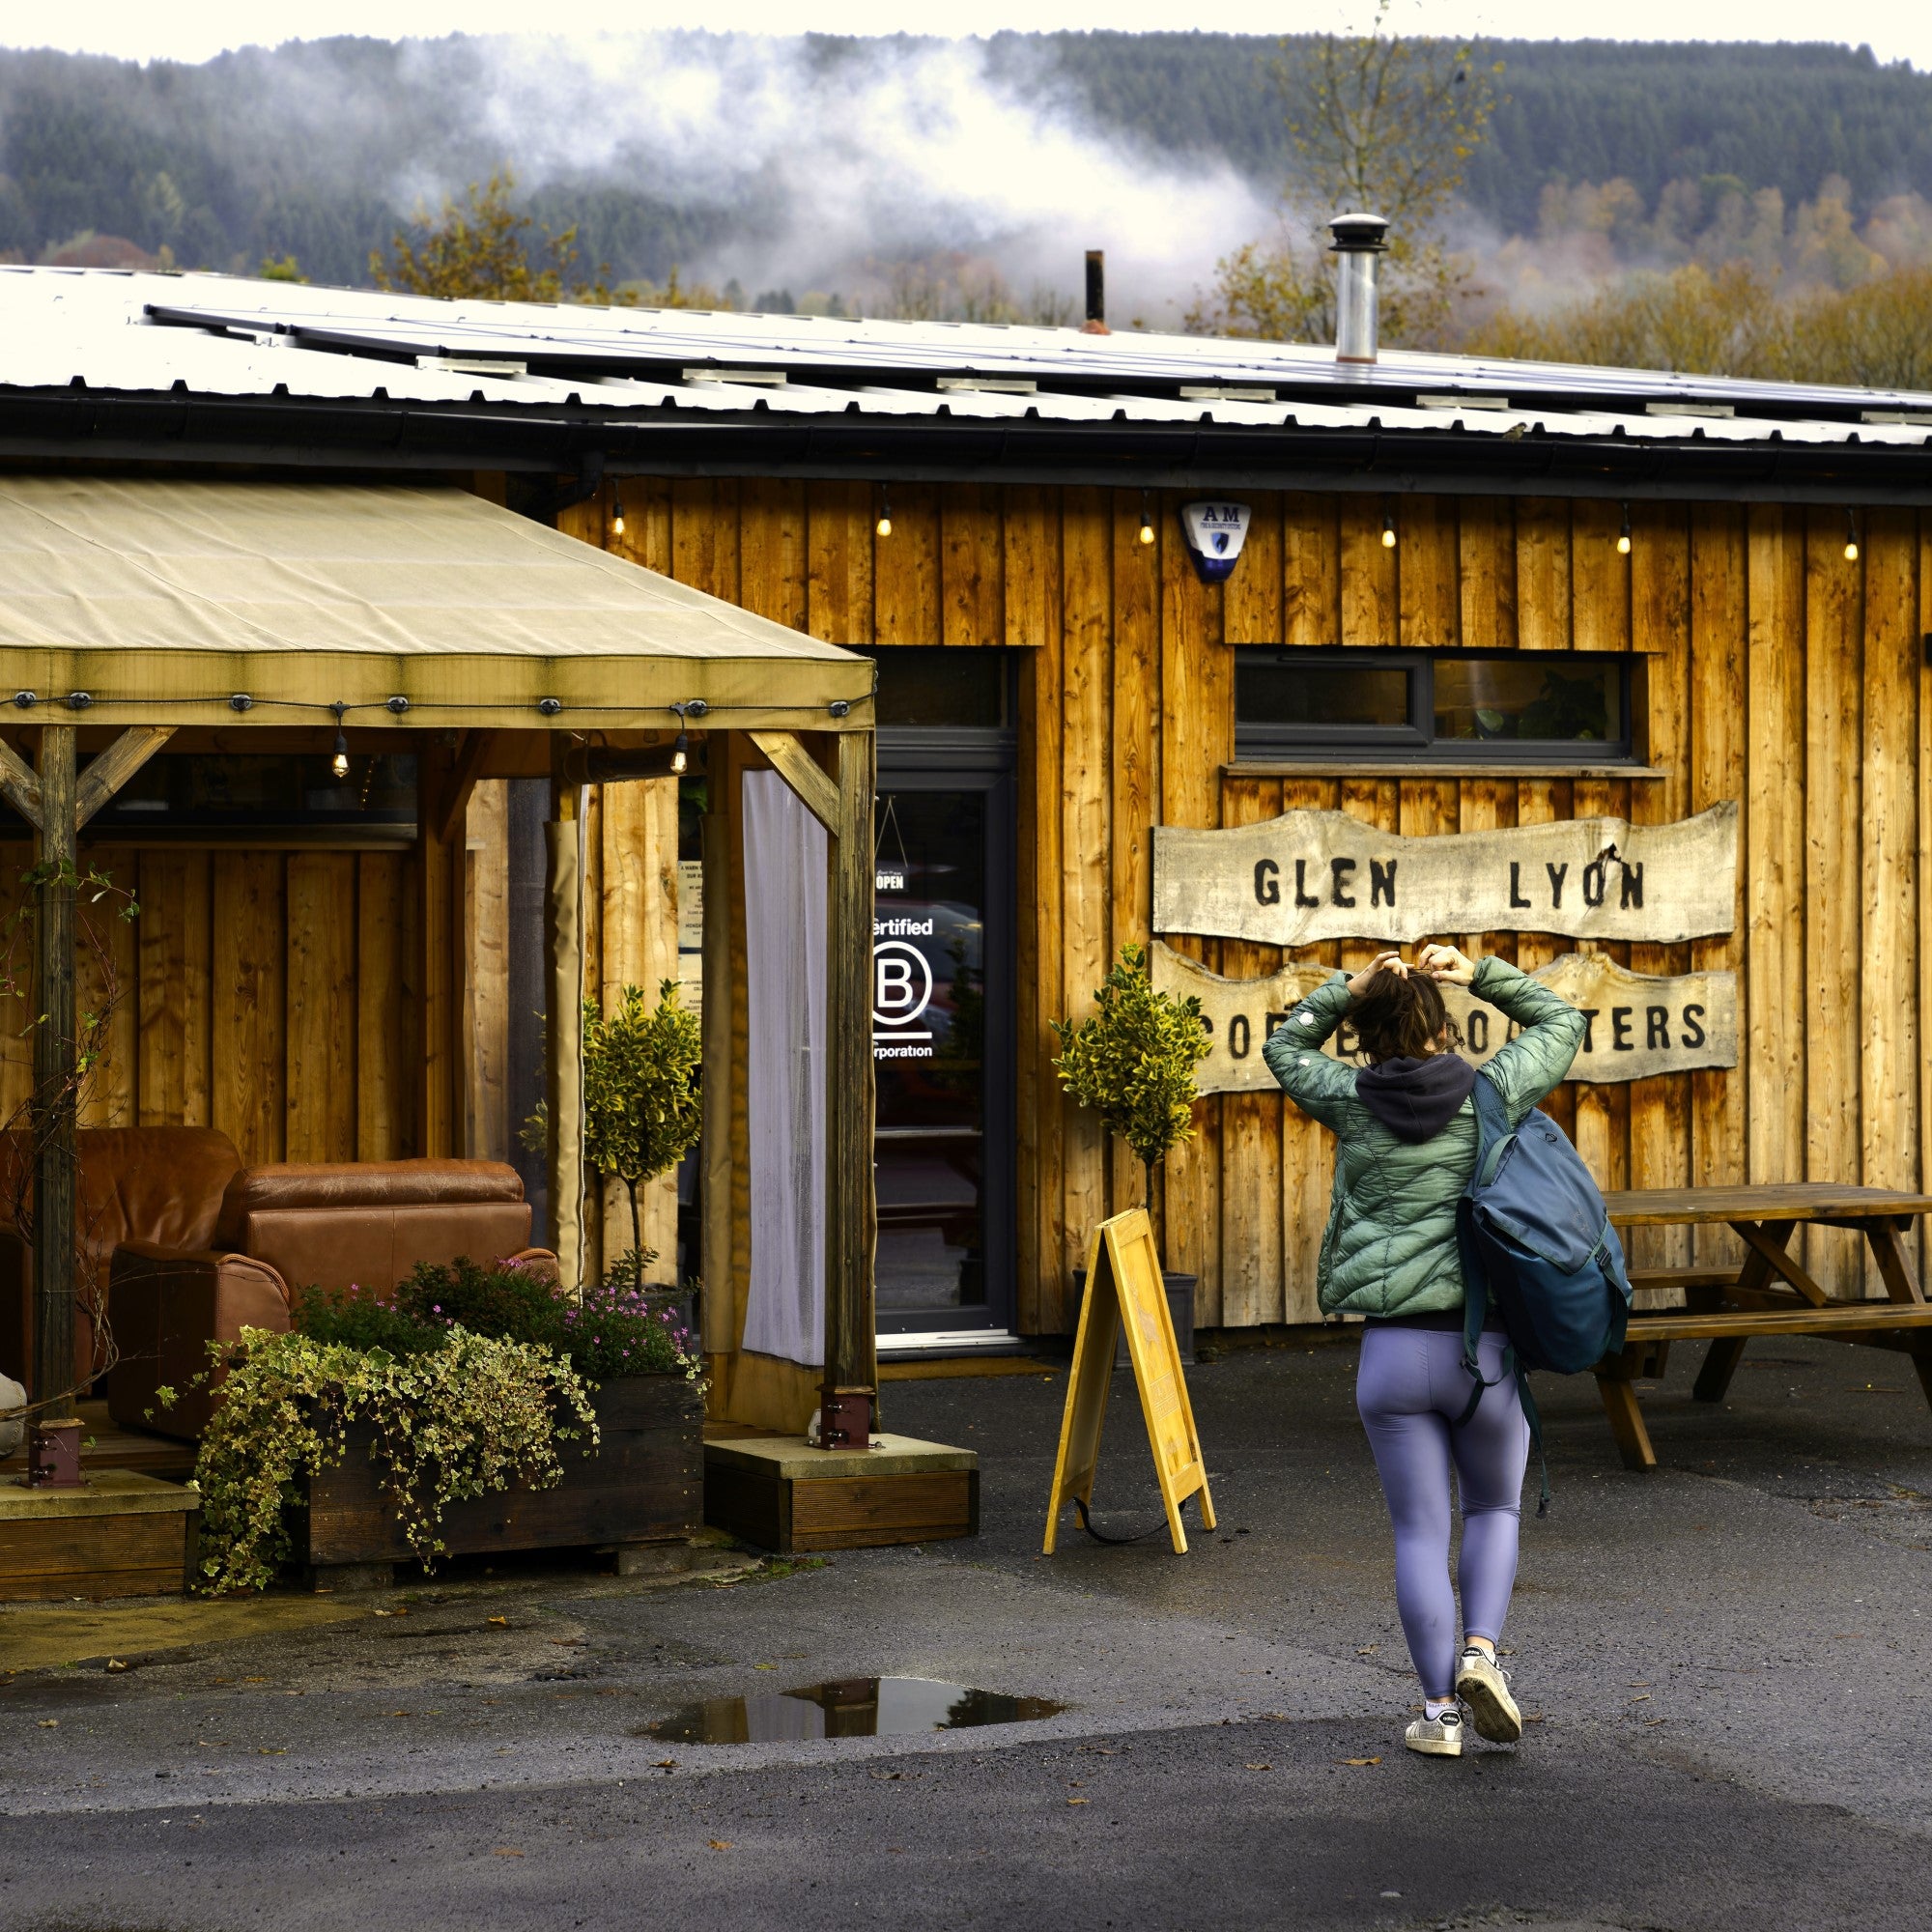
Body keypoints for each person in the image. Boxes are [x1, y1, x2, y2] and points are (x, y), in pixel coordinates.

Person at [1263, 941, 1585, 1759]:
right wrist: (1475, 973)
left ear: (1366, 1038)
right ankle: (1482, 1653)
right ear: (1444, 1027)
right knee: (1494, 1509)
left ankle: (1438, 1714)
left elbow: (1284, 1045)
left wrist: (1351, 984)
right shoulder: (1492, 1093)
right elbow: (1560, 1018)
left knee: (1417, 1532)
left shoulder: (1348, 1097)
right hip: (1484, 1350)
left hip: (1393, 1357)